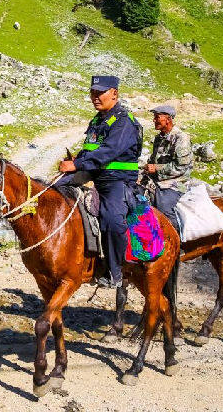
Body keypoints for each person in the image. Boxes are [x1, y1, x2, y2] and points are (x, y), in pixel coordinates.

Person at [58, 75, 142, 288]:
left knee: (112, 219)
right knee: (56, 190)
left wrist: (77, 166)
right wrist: (76, 159)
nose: (95, 97)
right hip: (94, 174)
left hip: (117, 180)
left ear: (114, 93)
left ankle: (116, 272)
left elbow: (109, 151)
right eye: (92, 93)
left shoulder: (124, 121)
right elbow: (90, 149)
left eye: (100, 92)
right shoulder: (97, 121)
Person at [142, 104, 193, 231]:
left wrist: (157, 168)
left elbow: (181, 167)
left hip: (177, 183)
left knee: (163, 207)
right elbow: (154, 159)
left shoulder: (181, 139)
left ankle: (177, 238)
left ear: (168, 119)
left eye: (157, 117)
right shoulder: (159, 138)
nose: (154, 120)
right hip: (158, 180)